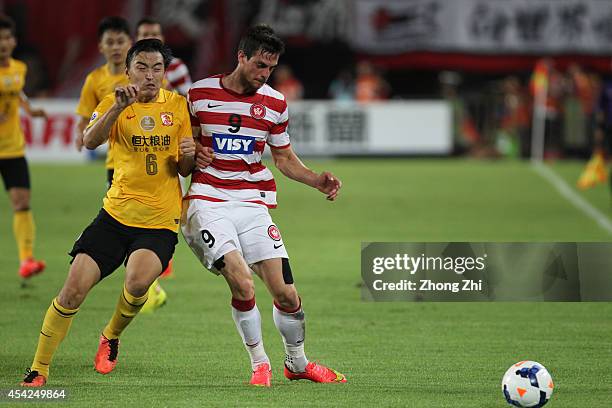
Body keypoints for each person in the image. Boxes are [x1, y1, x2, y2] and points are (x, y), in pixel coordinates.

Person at [20, 39, 196, 387]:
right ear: (129, 70)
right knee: (71, 292)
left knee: (137, 283)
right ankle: (39, 368)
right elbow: (89, 141)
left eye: (157, 68)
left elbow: (185, 168)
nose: (150, 75)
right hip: (115, 216)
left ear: (165, 72)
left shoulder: (177, 106)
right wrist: (116, 109)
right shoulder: (114, 102)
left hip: (159, 221)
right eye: (142, 67)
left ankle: (110, 335)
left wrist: (189, 154)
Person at [183, 24, 346, 387]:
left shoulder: (274, 102)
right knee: (242, 284)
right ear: (241, 56)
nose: (264, 74)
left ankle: (297, 363)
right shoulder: (198, 94)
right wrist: (193, 152)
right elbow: (182, 151)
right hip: (207, 201)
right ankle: (260, 363)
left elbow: (284, 158)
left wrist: (316, 180)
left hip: (251, 203)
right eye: (259, 64)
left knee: (287, 294)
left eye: (270, 68)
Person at [75, 16, 169, 308]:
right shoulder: (97, 81)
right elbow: (85, 127)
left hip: (155, 163)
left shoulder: (156, 81)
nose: (115, 48)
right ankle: (145, 286)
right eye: (110, 42)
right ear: (101, 47)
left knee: (151, 224)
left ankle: (147, 283)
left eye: (120, 42)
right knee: (124, 221)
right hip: (119, 164)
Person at [136, 16, 193, 280]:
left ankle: (160, 255)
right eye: (146, 33)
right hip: (134, 149)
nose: (151, 35)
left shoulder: (176, 67)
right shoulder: (128, 69)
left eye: (155, 32)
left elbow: (189, 100)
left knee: (172, 200)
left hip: (167, 145)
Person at [0, 15, 47, 279]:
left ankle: (26, 260)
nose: (3, 43)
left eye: (7, 38)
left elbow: (17, 92)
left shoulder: (19, 68)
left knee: (22, 202)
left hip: (13, 149)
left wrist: (30, 109)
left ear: (14, 41)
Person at [136, 16, 192, 97]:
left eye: (154, 34)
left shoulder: (176, 66)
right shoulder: (126, 66)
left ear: (162, 38)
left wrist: (168, 90)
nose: (150, 38)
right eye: (145, 34)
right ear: (136, 38)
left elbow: (188, 98)